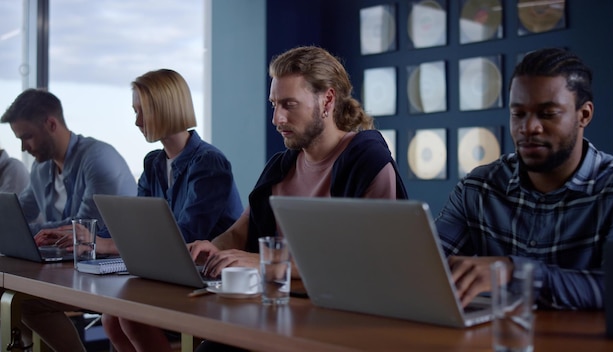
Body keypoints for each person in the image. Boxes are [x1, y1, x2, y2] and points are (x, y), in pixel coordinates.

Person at [188, 45, 408, 279]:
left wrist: (269, 264)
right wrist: (213, 249)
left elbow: (372, 261)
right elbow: (239, 233)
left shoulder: (368, 161)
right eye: (274, 104)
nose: (276, 119)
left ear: (327, 100)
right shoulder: (280, 168)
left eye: (289, 105)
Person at [435, 47, 613, 310]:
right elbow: (429, 268)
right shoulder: (478, 188)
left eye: (548, 114)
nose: (529, 127)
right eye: (518, 114)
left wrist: (515, 271)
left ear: (584, 115)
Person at [101, 69, 244, 352]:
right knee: (110, 319)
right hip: (170, 276)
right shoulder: (153, 163)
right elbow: (137, 224)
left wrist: (105, 245)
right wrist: (91, 237)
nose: (137, 122)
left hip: (208, 278)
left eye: (143, 112)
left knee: (130, 318)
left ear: (166, 109)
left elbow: (185, 236)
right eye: (135, 112)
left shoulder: (209, 162)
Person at [0, 89, 137, 351]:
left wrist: (23, 232)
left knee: (25, 301)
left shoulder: (98, 159)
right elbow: (20, 211)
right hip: (70, 271)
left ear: (51, 124)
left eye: (27, 137)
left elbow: (82, 227)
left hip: (112, 272)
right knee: (14, 297)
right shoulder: (41, 168)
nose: (22, 148)